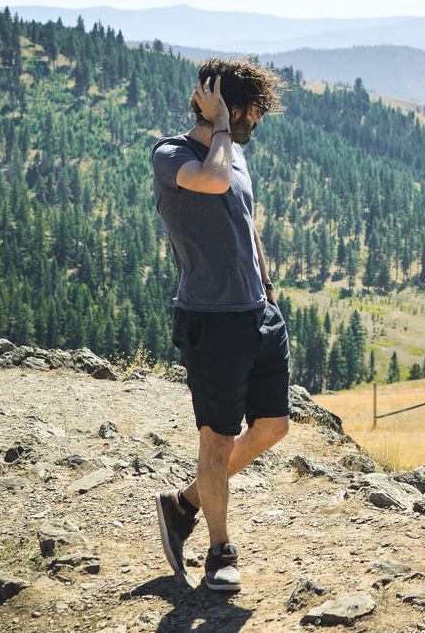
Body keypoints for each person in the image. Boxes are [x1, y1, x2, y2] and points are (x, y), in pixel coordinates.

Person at [149, 57, 289, 593]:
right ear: (230, 109)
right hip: (211, 321)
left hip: (257, 315)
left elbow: (245, 222)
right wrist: (224, 129)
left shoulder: (234, 154)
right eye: (253, 111)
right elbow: (212, 181)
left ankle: (182, 502)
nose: (258, 120)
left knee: (273, 426)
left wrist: (268, 291)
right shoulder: (173, 156)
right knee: (217, 441)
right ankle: (218, 550)